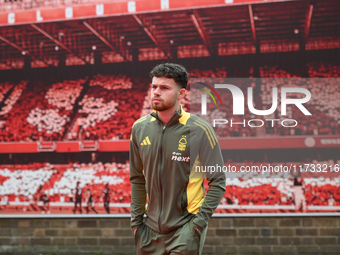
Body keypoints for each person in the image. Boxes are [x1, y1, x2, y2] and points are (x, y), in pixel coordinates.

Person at [129, 63, 226, 255]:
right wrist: (136, 225)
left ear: (181, 94)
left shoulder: (199, 129)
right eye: (154, 87)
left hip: (186, 229)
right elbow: (137, 179)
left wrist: (197, 225)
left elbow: (218, 181)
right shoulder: (139, 128)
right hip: (148, 231)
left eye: (164, 88)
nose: (156, 92)